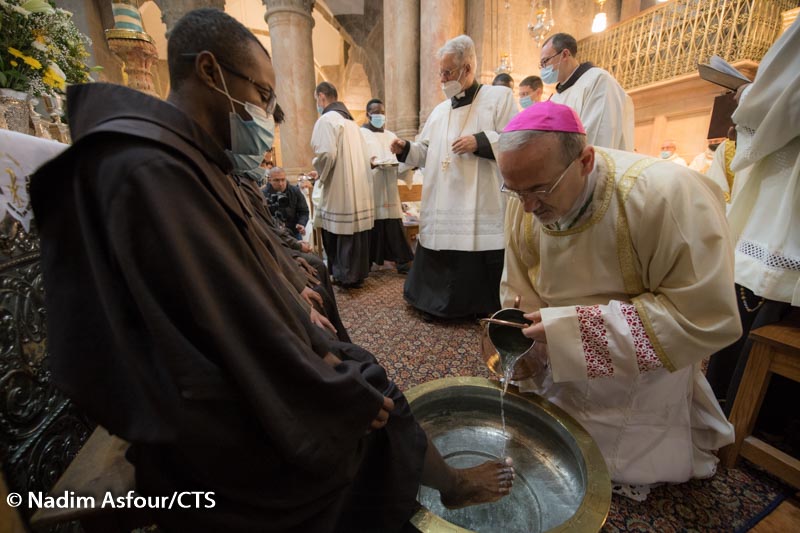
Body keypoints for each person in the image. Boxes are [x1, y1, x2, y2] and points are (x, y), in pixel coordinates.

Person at [29, 9, 515, 532]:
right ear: (212, 72)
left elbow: (238, 272)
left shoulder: (186, 157)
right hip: (198, 411)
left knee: (345, 349)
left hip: (226, 363)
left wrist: (300, 314)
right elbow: (221, 320)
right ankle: (433, 491)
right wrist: (326, 390)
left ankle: (431, 476)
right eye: (262, 94)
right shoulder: (152, 169)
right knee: (369, 392)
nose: (267, 113)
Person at [496, 101, 740, 495]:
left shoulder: (664, 195)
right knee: (549, 442)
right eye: (515, 190)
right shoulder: (524, 200)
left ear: (585, 161)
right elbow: (520, 286)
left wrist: (573, 332)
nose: (527, 207)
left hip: (638, 379)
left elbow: (700, 316)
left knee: (614, 468)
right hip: (558, 366)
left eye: (540, 189)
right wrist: (522, 341)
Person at [706, 17, 799, 450]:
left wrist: (746, 96)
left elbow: (777, 108)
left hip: (786, 207)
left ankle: (734, 410)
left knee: (760, 293)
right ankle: (777, 427)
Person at [390, 35, 516, 321]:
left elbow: (515, 139)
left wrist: (480, 142)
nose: (443, 78)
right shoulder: (438, 111)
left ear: (468, 68)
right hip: (443, 195)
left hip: (478, 197)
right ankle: (430, 301)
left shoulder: (498, 98)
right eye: (441, 72)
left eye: (448, 72)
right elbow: (425, 152)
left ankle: (474, 306)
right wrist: (406, 149)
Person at [311, 81, 375, 288]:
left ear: (321, 97)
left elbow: (326, 154)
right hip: (357, 187)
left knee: (338, 228)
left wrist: (320, 173)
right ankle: (356, 274)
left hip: (340, 187)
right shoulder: (353, 125)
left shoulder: (327, 120)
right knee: (354, 229)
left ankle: (343, 275)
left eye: (316, 100)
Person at [540, 32, 634, 151]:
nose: (543, 69)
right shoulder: (556, 98)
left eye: (545, 61)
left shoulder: (598, 80)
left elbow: (597, 139)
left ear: (564, 54)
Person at [360, 98, 414, 274]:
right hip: (371, 186)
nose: (380, 116)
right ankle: (366, 262)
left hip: (389, 187)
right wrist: (370, 163)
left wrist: (407, 164)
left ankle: (403, 261)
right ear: (368, 114)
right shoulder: (361, 135)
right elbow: (357, 160)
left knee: (392, 220)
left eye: (382, 113)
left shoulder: (391, 136)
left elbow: (398, 158)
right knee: (372, 222)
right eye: (376, 113)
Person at [263, 166, 309, 240]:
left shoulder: (295, 191)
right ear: (270, 180)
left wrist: (301, 223)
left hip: (293, 232)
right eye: (276, 180)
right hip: (273, 235)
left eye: (283, 180)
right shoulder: (263, 194)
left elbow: (304, 211)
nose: (280, 183)